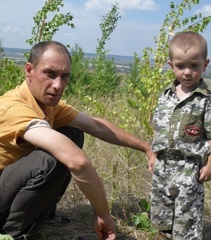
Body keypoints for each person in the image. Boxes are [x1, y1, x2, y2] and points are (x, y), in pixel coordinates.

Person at [0, 41, 156, 240]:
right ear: (29, 70)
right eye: (50, 74)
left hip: (7, 187)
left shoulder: (48, 104)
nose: (58, 85)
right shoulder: (14, 108)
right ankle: (14, 234)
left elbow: (96, 125)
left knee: (72, 133)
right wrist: (103, 214)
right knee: (52, 159)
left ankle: (44, 214)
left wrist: (145, 147)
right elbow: (77, 161)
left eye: (64, 76)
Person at [149, 32, 211, 240]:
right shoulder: (165, 96)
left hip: (189, 168)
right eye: (180, 66)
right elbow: (159, 128)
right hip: (164, 165)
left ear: (205, 64)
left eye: (194, 65)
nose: (187, 72)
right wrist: (153, 154)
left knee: (187, 216)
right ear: (171, 64)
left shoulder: (207, 100)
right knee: (162, 211)